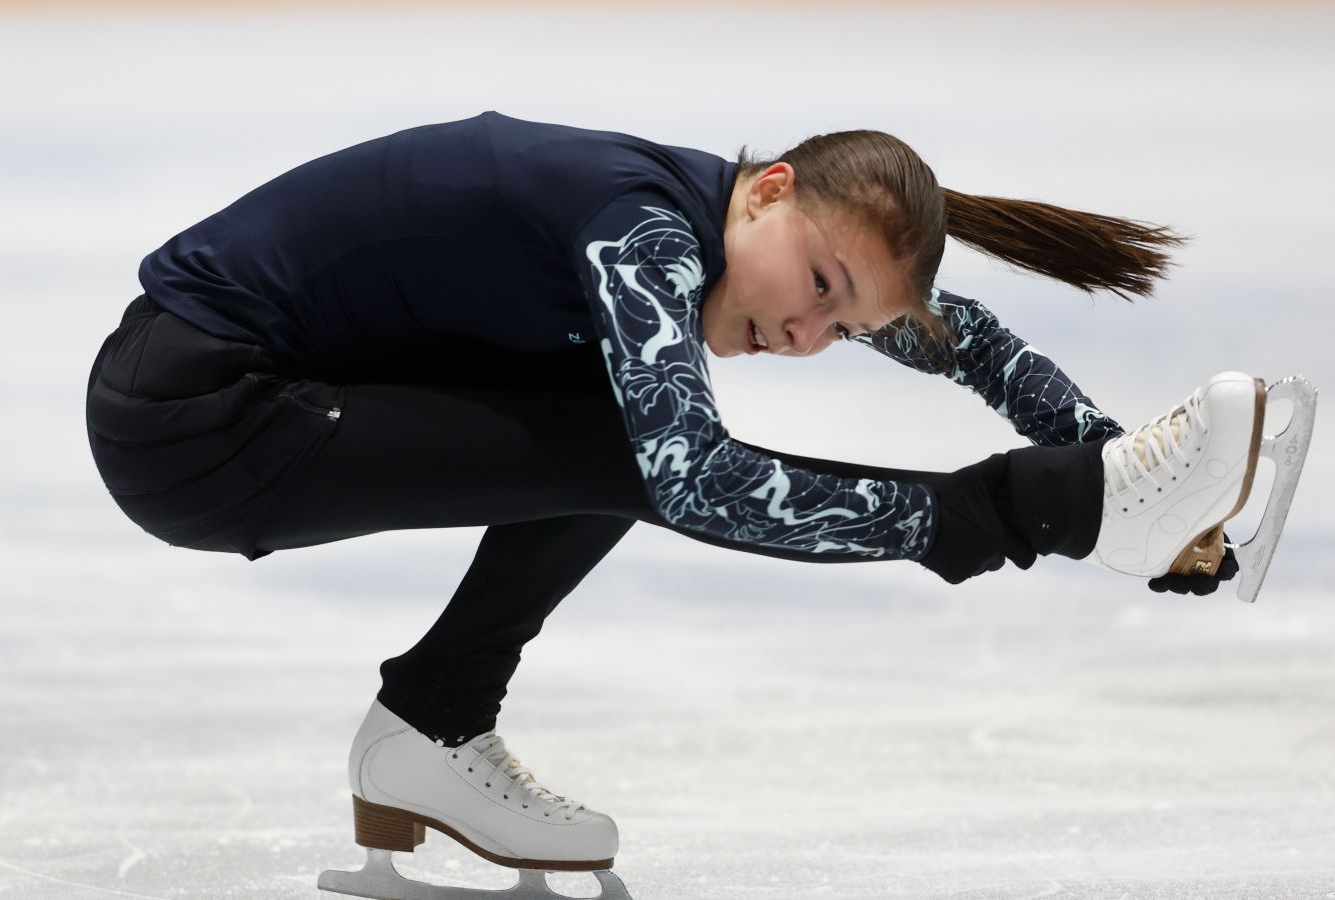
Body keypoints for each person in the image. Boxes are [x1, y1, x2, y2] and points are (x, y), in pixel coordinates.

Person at [84, 111, 1274, 899]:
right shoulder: (640, 234)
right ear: (764, 193)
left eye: (841, 327)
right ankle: (435, 722)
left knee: (618, 428)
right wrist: (1046, 508)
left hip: (252, 390)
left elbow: (964, 347)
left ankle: (432, 727)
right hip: (197, 419)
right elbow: (694, 481)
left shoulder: (703, 221)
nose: (808, 337)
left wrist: (1121, 473)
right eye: (818, 287)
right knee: (641, 449)